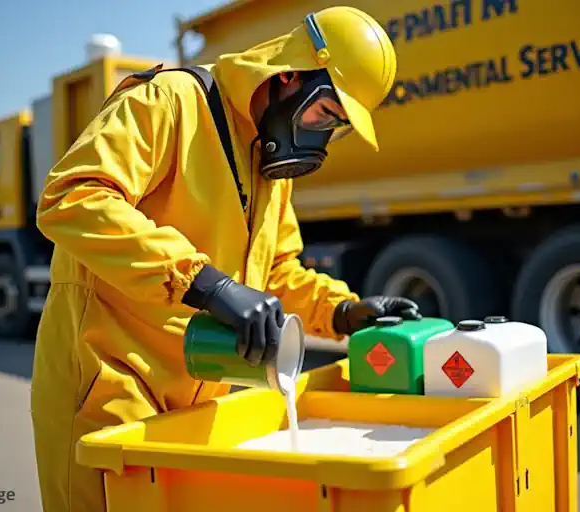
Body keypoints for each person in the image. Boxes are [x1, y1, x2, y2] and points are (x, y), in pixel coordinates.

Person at [30, 6, 419, 512]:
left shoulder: (264, 163)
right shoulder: (170, 101)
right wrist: (208, 285)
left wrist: (344, 312)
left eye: (338, 126)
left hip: (198, 402)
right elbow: (74, 197)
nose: (322, 137)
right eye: (325, 114)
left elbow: (278, 271)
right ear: (289, 77)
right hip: (107, 390)